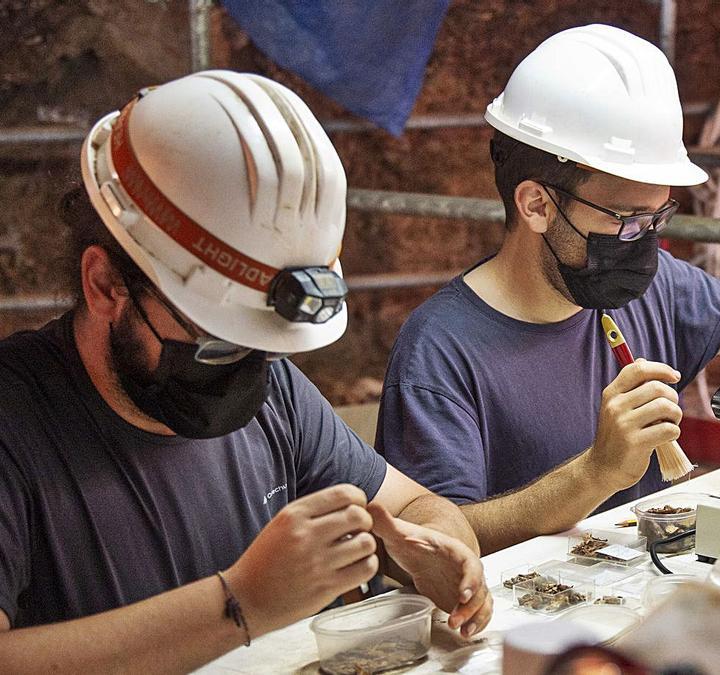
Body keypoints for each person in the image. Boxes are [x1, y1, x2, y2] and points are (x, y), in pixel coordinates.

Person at [0, 71, 491, 672]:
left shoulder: (272, 392)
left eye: (264, 347)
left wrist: (437, 548)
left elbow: (413, 508)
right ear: (105, 284)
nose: (249, 373)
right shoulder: (15, 423)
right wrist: (240, 605)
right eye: (218, 343)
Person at [376, 25, 720, 554]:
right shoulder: (440, 352)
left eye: (657, 216)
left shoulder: (657, 290)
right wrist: (596, 472)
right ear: (536, 204)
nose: (644, 243)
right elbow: (428, 550)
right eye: (626, 219)